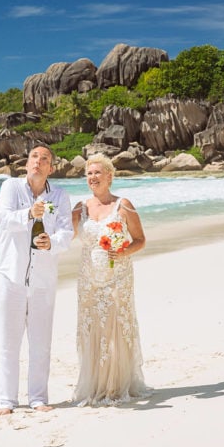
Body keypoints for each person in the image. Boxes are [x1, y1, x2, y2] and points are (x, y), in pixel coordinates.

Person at [0, 143, 73, 415]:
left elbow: (67, 232)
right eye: (33, 157)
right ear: (26, 164)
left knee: (41, 342)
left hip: (43, 278)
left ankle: (38, 397)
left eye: (44, 159)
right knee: (9, 341)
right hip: (9, 275)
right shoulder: (11, 188)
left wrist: (51, 243)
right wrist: (28, 213)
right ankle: (7, 400)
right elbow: (3, 219)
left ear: (51, 168)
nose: (38, 162)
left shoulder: (61, 196)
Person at [71, 153, 153, 406]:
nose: (92, 178)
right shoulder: (79, 208)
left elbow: (140, 240)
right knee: (93, 327)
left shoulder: (123, 205)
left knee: (116, 325)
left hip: (118, 276)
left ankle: (117, 385)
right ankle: (95, 384)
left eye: (97, 173)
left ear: (109, 176)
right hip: (88, 278)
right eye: (88, 174)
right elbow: (63, 236)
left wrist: (123, 250)